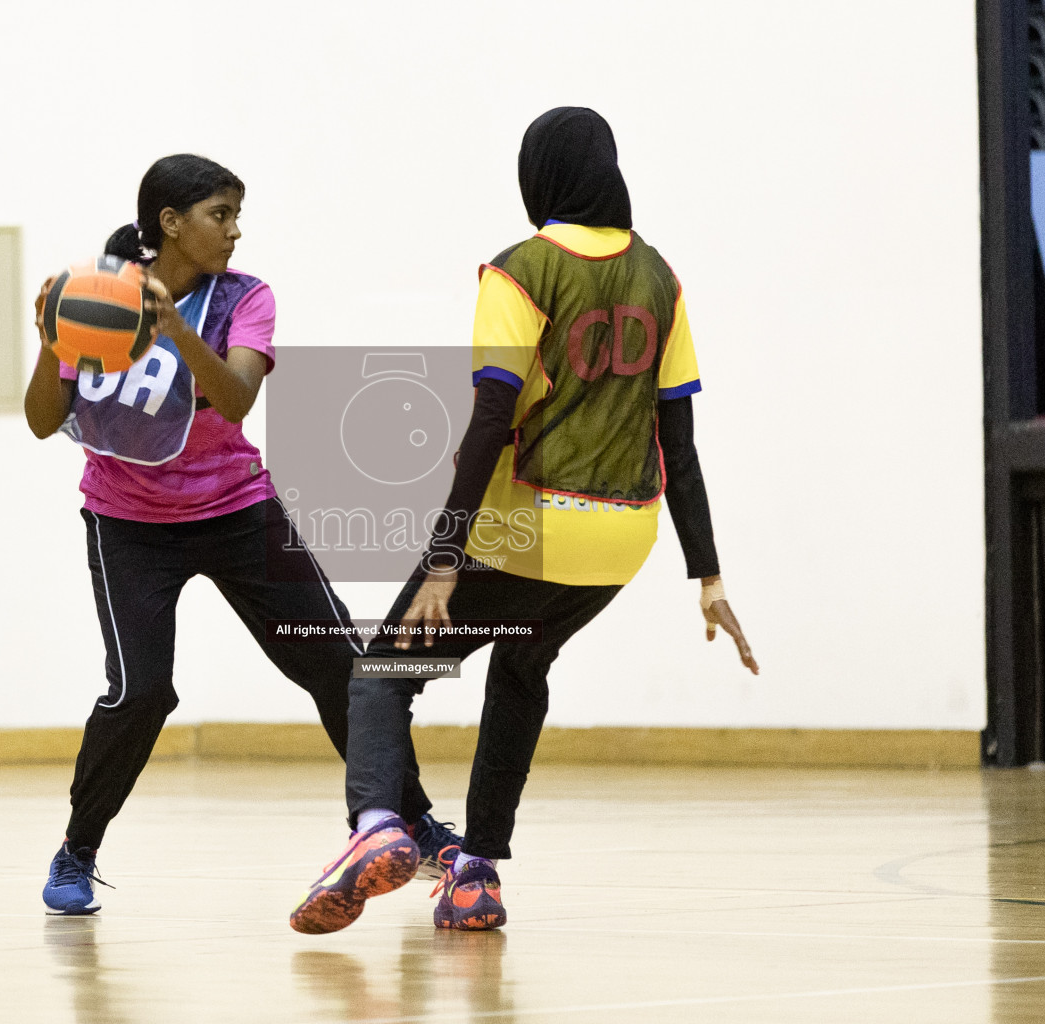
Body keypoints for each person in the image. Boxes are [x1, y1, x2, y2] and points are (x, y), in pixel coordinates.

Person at [289, 108, 758, 935]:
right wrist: (708, 574)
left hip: (529, 526)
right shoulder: (661, 277)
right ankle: (475, 874)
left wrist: (444, 559)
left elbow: (488, 424)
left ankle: (375, 830)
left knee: (379, 675)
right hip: (622, 539)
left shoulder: (520, 270)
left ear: (537, 175)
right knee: (520, 673)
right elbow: (676, 444)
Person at [24, 154, 460, 916]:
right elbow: (38, 423)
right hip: (128, 526)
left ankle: (412, 825)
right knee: (140, 693)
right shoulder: (97, 296)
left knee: (345, 669)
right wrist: (51, 341)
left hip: (236, 510)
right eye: (218, 216)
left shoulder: (245, 298)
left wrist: (171, 329)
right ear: (170, 222)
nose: (233, 231)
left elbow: (234, 400)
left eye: (235, 216)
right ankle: (78, 849)